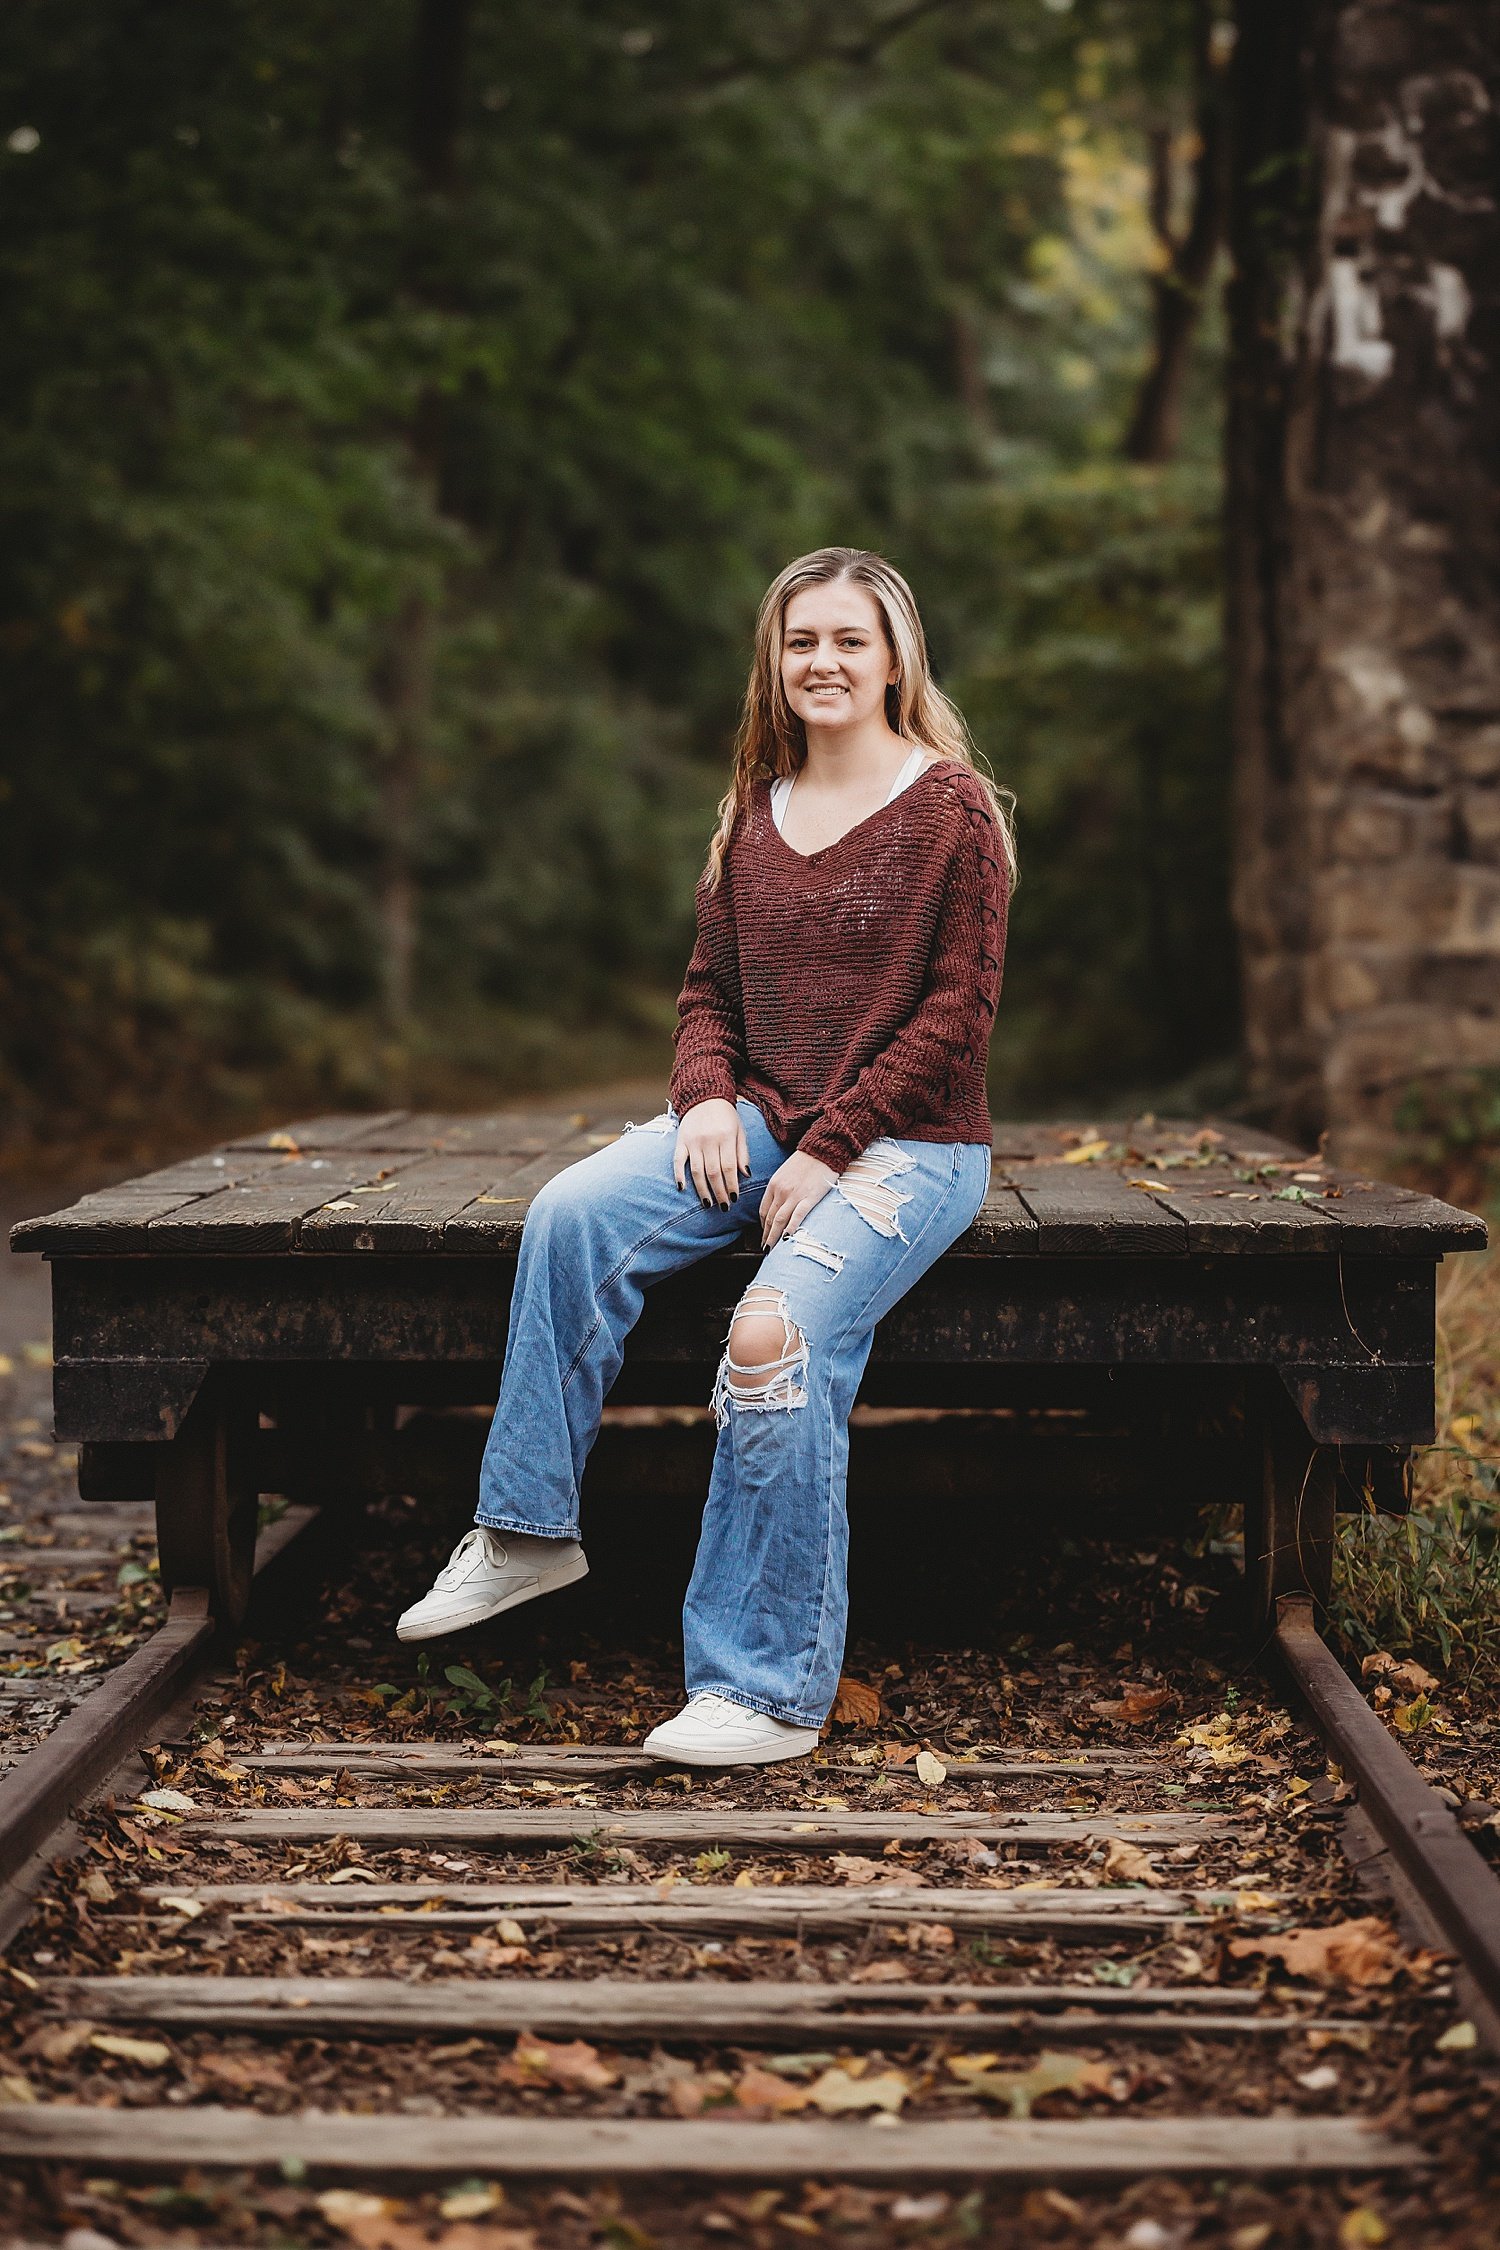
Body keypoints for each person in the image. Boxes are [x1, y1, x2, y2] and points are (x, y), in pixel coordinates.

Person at [397, 547, 1015, 1767]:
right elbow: (707, 997)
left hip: (911, 1141)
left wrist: (829, 1148)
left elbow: (957, 1020)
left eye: (849, 639)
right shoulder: (755, 810)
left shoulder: (954, 814)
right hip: (767, 1119)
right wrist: (706, 1102)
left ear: (897, 659)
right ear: (773, 665)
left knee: (768, 1334)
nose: (823, 662)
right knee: (572, 1210)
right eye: (801, 642)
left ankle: (766, 1687)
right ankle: (525, 1530)